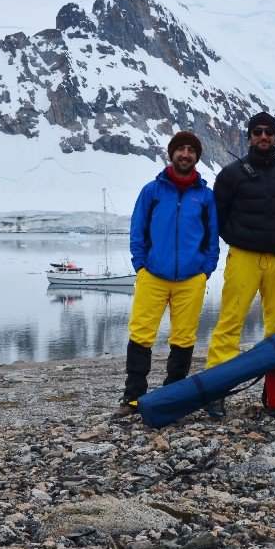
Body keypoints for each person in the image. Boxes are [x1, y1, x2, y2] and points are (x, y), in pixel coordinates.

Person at [118, 131, 220, 416]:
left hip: (191, 279)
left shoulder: (205, 195)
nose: (185, 154)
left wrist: (206, 270)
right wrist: (140, 264)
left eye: (191, 150)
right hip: (153, 275)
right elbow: (138, 230)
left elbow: (213, 238)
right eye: (180, 149)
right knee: (141, 335)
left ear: (197, 157)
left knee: (184, 338)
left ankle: (174, 395)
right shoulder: (152, 191)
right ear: (171, 154)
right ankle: (133, 397)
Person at [206, 111, 275, 372]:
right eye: (258, 132)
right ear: (250, 136)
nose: (263, 136)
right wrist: (240, 238)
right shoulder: (231, 174)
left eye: (269, 132)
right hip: (243, 256)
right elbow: (218, 215)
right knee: (231, 319)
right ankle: (218, 385)